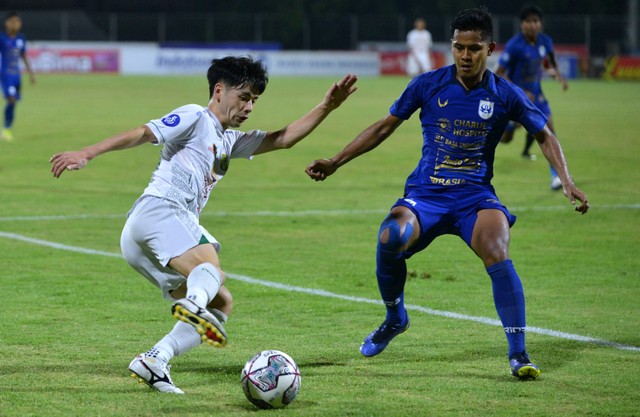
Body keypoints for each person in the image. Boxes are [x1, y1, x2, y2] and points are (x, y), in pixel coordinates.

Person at [305, 7, 588, 380]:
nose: (465, 56)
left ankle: (519, 354)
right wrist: (337, 160)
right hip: (427, 194)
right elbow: (383, 127)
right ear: (451, 47)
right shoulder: (429, 83)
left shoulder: (505, 93)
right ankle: (395, 317)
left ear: (490, 49)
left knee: (497, 246)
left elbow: (544, 134)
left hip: (474, 196)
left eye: (474, 48)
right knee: (390, 235)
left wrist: (566, 181)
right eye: (459, 47)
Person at [50, 56, 358, 394]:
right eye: (244, 97)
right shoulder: (195, 116)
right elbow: (144, 132)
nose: (249, 107)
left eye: (255, 100)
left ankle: (155, 358)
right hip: (160, 210)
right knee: (211, 266)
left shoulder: (227, 141)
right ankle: (193, 305)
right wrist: (88, 153)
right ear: (219, 90)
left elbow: (283, 139)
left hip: (143, 237)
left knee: (221, 302)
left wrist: (327, 106)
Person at [495, 5, 569, 190]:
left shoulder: (545, 42)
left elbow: (550, 61)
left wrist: (558, 75)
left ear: (540, 24)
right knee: (505, 138)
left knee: (550, 131)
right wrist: (519, 91)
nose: (532, 25)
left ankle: (556, 177)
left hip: (537, 95)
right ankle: (510, 125)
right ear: (522, 25)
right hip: (515, 98)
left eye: (535, 21)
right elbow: (498, 74)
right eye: (528, 22)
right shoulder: (514, 46)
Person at [0, 11, 36, 142]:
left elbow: (24, 55)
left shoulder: (21, 38)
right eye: (12, 20)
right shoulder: (2, 38)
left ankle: (7, 128)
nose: (15, 23)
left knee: (14, 102)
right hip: (5, 75)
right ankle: (6, 129)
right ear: (6, 23)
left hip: (16, 76)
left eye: (18, 21)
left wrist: (31, 73)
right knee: (11, 100)